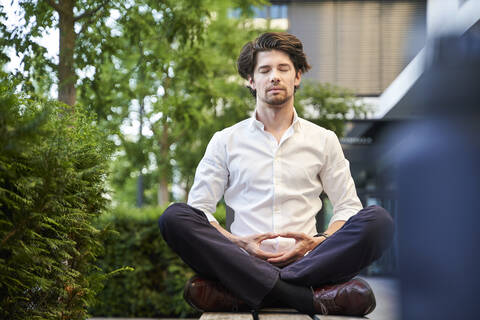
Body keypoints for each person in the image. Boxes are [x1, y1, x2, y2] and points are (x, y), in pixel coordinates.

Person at [159, 32, 393, 316]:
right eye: (265, 70)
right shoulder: (225, 140)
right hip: (242, 260)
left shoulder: (323, 139)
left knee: (378, 220)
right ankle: (302, 297)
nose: (274, 77)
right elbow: (200, 210)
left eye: (283, 69)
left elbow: (348, 208)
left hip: (310, 261)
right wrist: (238, 243)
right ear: (251, 80)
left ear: (297, 77)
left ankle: (249, 293)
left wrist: (317, 241)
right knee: (175, 216)